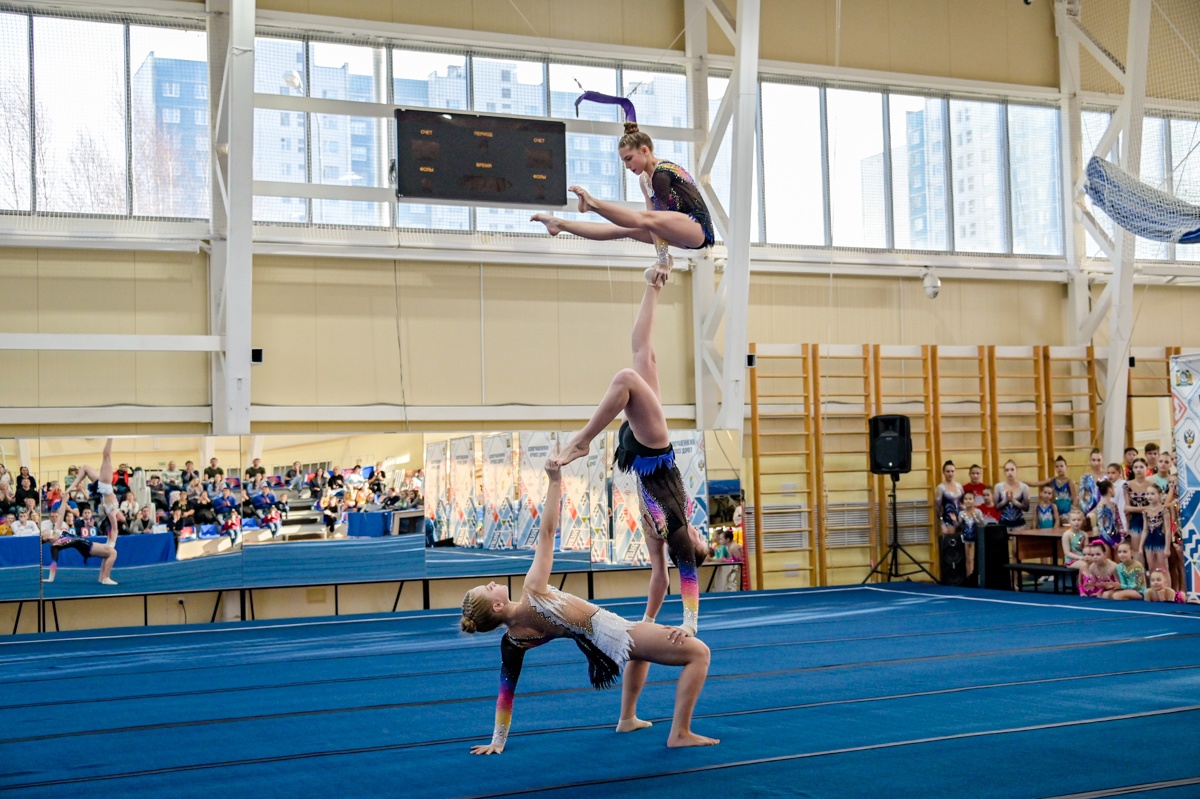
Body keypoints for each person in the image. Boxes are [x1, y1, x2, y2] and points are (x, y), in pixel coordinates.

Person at [461, 460, 716, 755]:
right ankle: (680, 733)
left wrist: (498, 740)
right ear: (496, 605)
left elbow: (506, 692)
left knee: (641, 645)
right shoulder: (532, 591)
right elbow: (547, 533)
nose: (492, 582)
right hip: (612, 633)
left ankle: (627, 719)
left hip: (601, 640)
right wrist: (554, 481)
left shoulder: (513, 640)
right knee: (699, 654)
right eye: (488, 588)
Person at [549, 273, 710, 637]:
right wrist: (647, 623)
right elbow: (660, 578)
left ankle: (583, 440)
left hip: (650, 448)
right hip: (645, 448)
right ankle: (655, 284)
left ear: (689, 545)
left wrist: (689, 624)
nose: (699, 533)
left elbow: (683, 575)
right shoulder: (661, 530)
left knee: (627, 376)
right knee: (644, 354)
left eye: (700, 540)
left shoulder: (674, 530)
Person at [532, 111, 714, 277]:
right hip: (678, 231)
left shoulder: (662, 174)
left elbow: (655, 220)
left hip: (697, 228)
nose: (627, 166)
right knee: (623, 229)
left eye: (629, 159)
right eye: (624, 161)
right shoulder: (644, 180)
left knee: (645, 219)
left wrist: (663, 260)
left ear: (644, 150)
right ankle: (560, 224)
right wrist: (663, 258)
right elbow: (654, 224)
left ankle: (593, 204)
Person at [63, 438, 127, 553]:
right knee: (85, 467)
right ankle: (72, 486)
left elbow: (114, 529)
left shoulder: (112, 514)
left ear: (118, 519)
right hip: (102, 487)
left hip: (105, 485)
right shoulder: (116, 510)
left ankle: (111, 437)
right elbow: (115, 528)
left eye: (122, 518)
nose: (123, 516)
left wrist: (111, 544)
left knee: (107, 457)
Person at [41, 511, 118, 586]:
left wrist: (64, 502)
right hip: (86, 546)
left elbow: (61, 514)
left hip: (86, 543)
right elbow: (54, 563)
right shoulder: (54, 545)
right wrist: (50, 578)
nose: (45, 531)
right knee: (113, 553)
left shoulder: (56, 532)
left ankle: (102, 578)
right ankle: (106, 578)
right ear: (45, 538)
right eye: (43, 533)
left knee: (107, 553)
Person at [1124, 458, 1152, 566]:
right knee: (1137, 551)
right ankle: (1139, 574)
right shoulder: (1127, 485)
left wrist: (1132, 508)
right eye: (1136, 467)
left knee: (1149, 550)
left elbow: (1153, 507)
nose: (1138, 470)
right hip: (1135, 521)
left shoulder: (1152, 485)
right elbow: (1126, 509)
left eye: (1141, 467)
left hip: (1151, 520)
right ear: (1132, 469)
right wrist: (1127, 527)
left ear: (1146, 468)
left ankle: (1152, 574)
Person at [1141, 483, 1169, 576]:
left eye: (1152, 494)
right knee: (1151, 567)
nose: (1149, 496)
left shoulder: (1164, 510)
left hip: (1160, 540)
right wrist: (1140, 546)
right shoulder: (1145, 512)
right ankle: (1153, 585)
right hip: (1149, 542)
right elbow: (1145, 530)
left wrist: (1167, 547)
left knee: (1163, 568)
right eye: (1148, 494)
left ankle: (1167, 585)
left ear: (1160, 495)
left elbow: (1168, 530)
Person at [1089, 480, 1124, 552]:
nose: (1115, 490)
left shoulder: (1114, 505)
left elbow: (1119, 522)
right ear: (1110, 489)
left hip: (1116, 536)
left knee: (1118, 557)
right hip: (1105, 538)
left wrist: (1122, 537)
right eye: (1114, 488)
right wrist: (1112, 542)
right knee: (1107, 556)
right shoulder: (1101, 506)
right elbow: (1101, 527)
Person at [957, 491, 985, 579]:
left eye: (970, 499)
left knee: (973, 558)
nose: (968, 501)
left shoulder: (978, 512)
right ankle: (968, 576)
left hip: (975, 538)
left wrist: (975, 518)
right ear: (963, 501)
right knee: (967, 558)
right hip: (966, 538)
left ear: (974, 500)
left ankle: (974, 577)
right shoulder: (961, 513)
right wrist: (955, 521)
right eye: (966, 499)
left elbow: (983, 524)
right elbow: (960, 526)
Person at [995, 461, 1031, 532]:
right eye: (1007, 470)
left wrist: (1014, 501)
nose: (1010, 472)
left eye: (1012, 469)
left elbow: (1026, 508)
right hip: (1003, 524)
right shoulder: (998, 487)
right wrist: (1005, 500)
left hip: (1019, 524)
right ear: (1004, 472)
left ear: (1016, 470)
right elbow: (996, 507)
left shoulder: (1024, 487)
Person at [934, 461, 964, 537]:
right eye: (948, 471)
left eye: (952, 471)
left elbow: (964, 501)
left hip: (961, 518)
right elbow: (938, 509)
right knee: (951, 540)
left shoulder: (959, 486)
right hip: (948, 520)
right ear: (943, 472)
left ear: (955, 472)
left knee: (962, 541)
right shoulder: (940, 488)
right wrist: (942, 524)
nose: (950, 474)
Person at [1078, 449, 1105, 516]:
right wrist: (1087, 510)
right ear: (1090, 461)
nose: (1096, 463)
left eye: (1099, 460)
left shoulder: (1107, 476)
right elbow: (1081, 497)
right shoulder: (1084, 477)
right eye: (1093, 460)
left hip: (1105, 509)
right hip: (1089, 509)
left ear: (1102, 460)